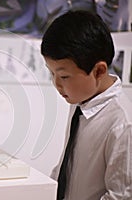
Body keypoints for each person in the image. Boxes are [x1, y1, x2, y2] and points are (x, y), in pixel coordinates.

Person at [41, 10, 132, 200]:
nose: (56, 84)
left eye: (64, 76)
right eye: (52, 74)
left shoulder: (123, 124)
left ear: (99, 70)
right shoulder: (79, 101)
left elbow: (121, 195)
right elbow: (68, 165)